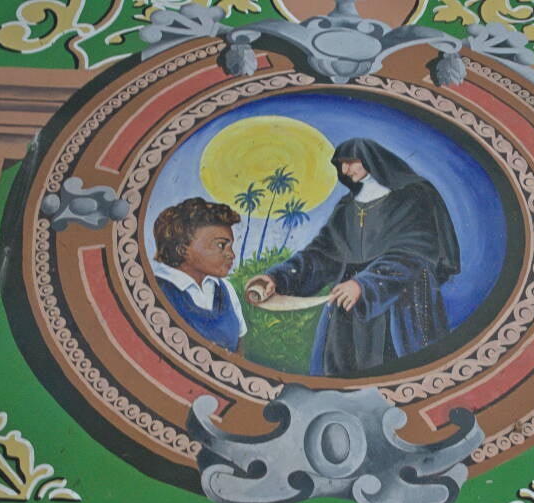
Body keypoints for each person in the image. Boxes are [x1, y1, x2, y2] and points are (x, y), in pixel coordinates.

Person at [246, 138, 460, 377]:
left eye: (350, 162)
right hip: (348, 307)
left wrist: (364, 284)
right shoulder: (347, 207)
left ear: (371, 159)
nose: (345, 170)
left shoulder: (411, 197)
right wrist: (277, 278)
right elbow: (321, 255)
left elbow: (412, 254)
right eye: (341, 165)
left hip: (398, 305)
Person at [153, 197, 247, 352]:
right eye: (221, 245)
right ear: (183, 250)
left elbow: (239, 347)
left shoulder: (226, 290)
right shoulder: (156, 291)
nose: (231, 254)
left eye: (230, 246)